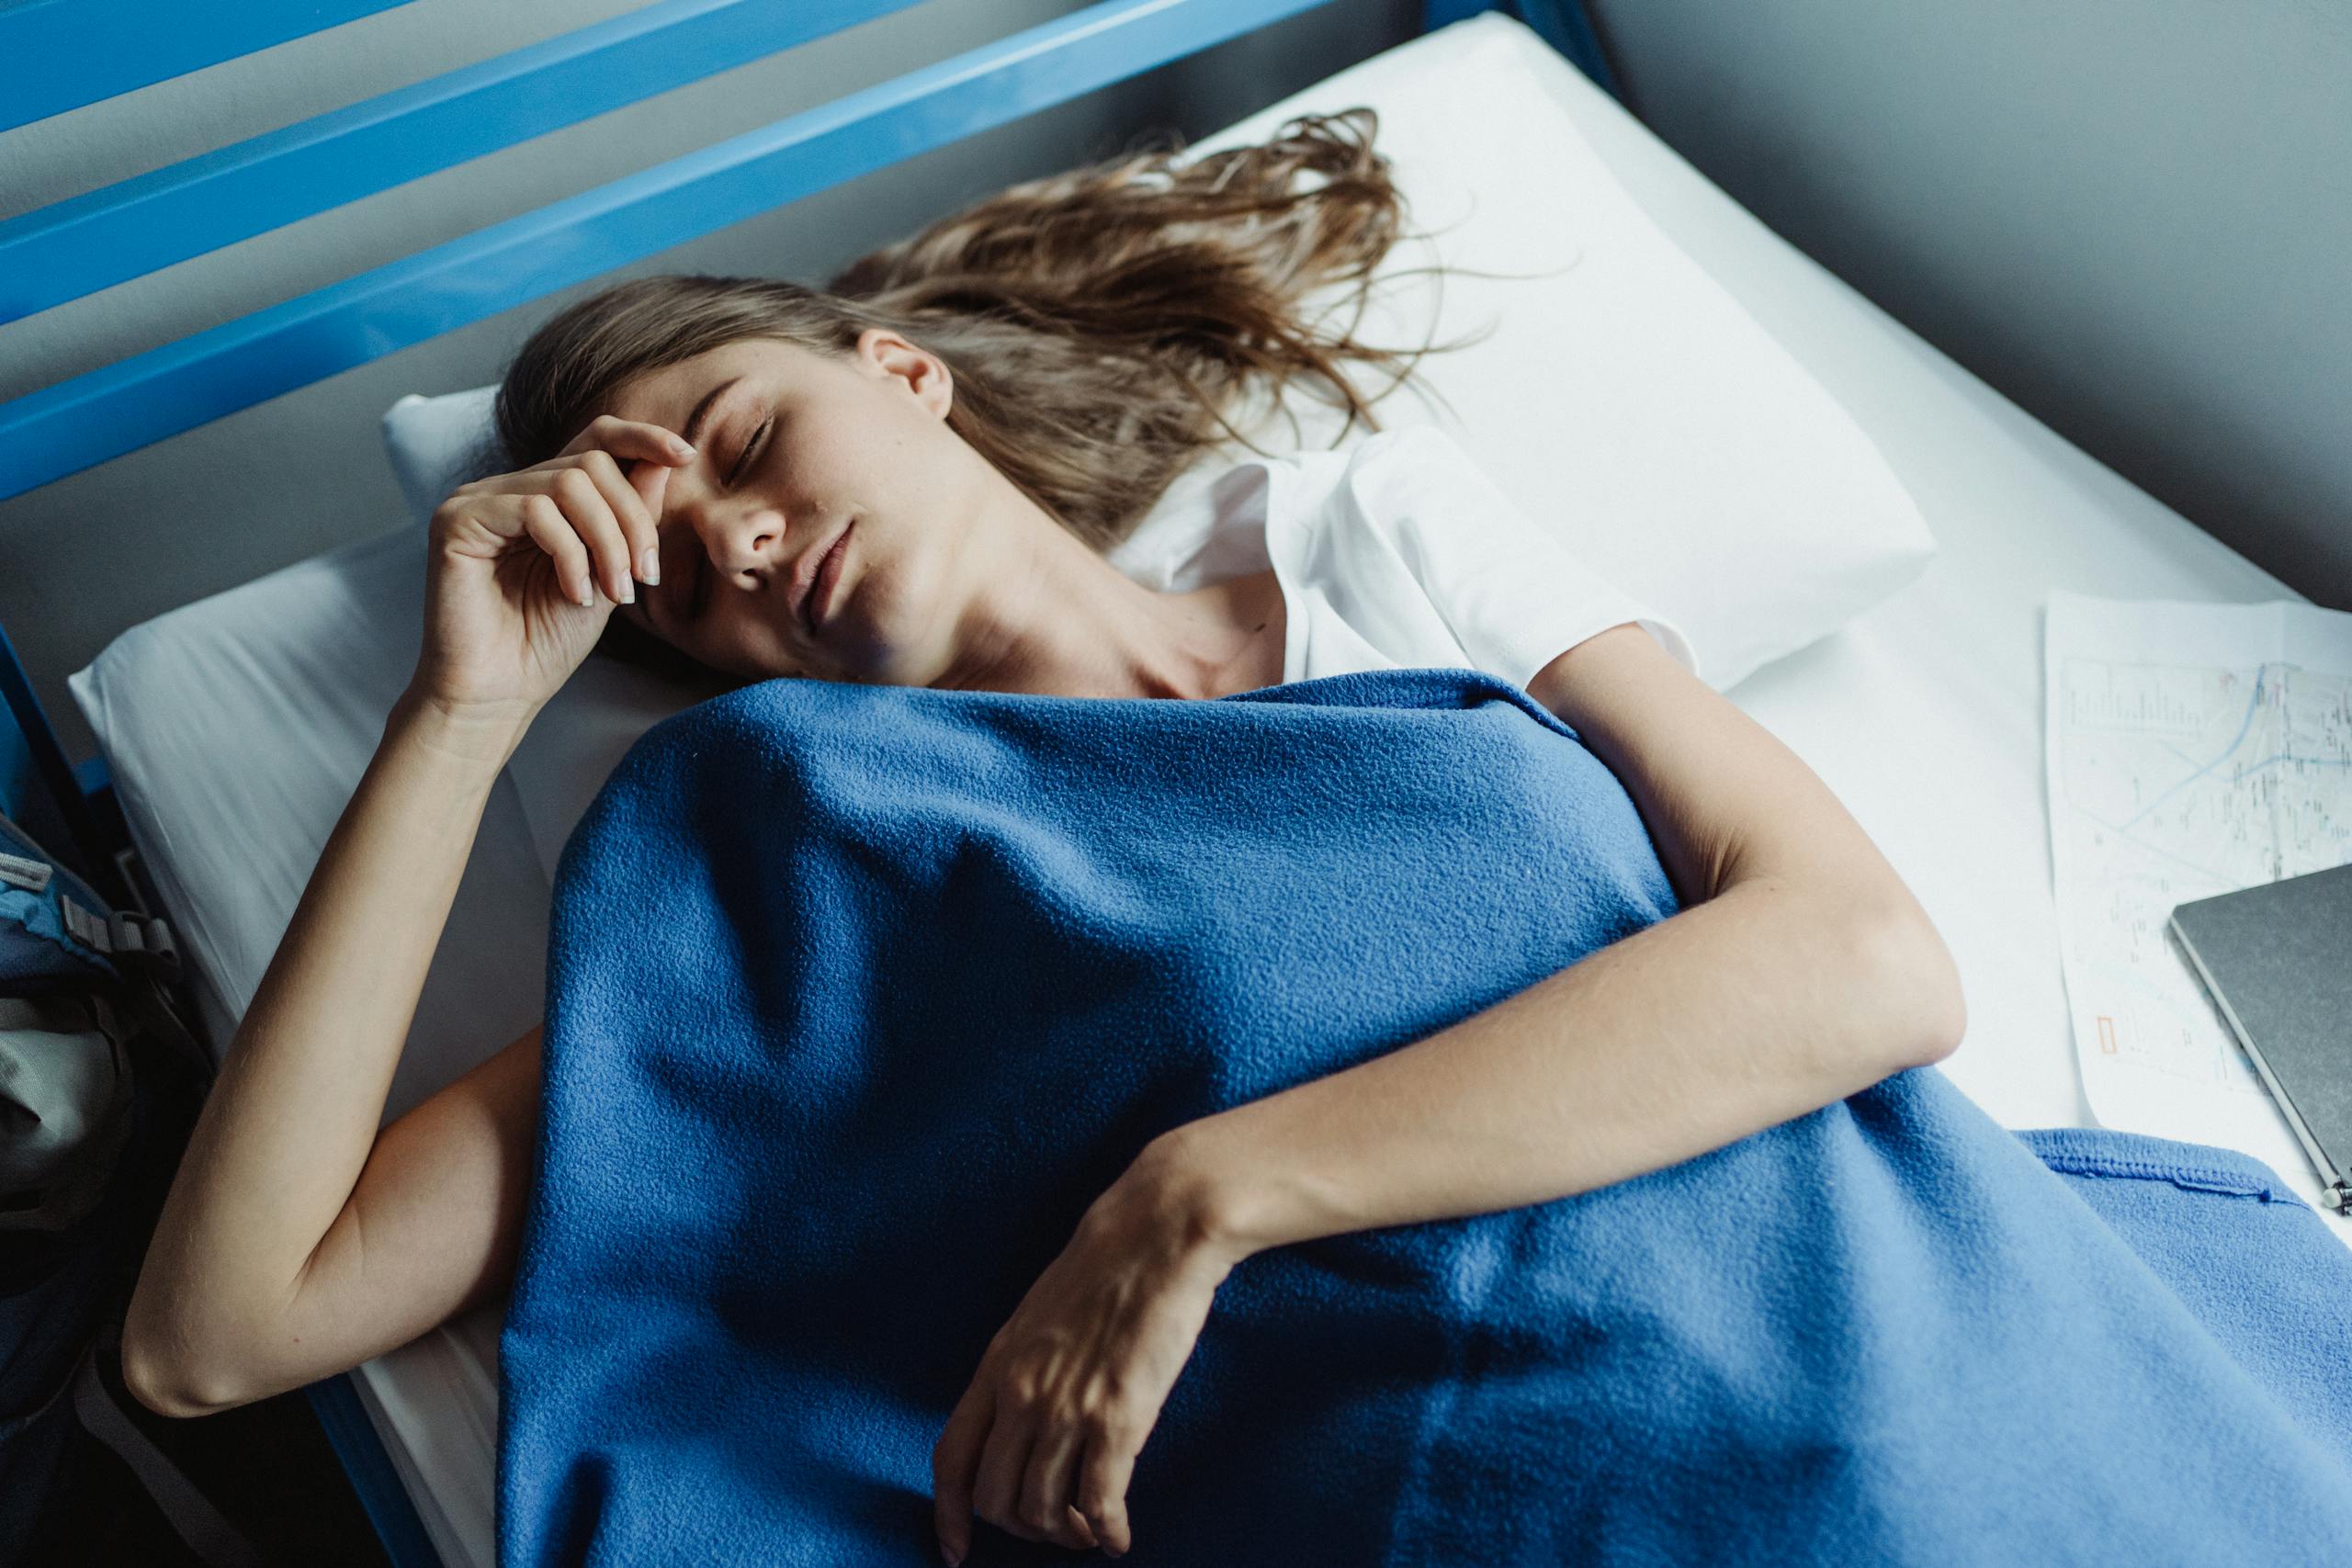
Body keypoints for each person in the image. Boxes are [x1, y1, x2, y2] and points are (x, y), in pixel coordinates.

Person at [117, 109, 1966, 1565]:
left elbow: (1863, 957)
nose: (740, 542)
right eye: (679, 587)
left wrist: (1200, 1195)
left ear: (899, 372)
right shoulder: (819, 874)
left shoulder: (1361, 538)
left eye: (744, 444)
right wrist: (461, 714)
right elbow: (212, 1336)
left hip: (1856, 1325)